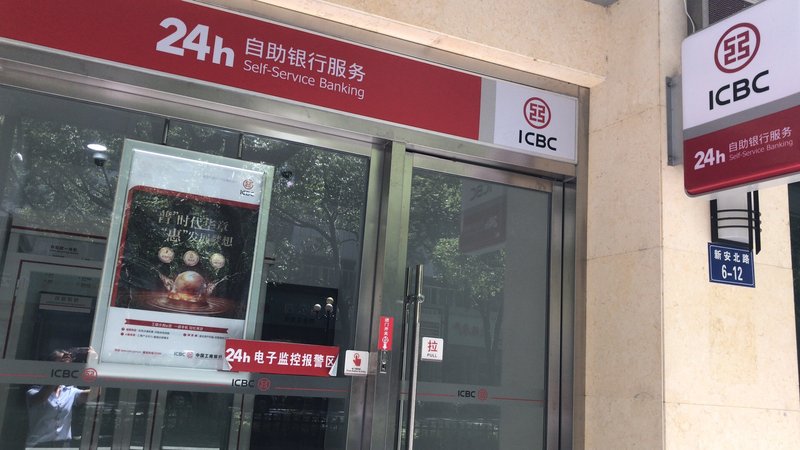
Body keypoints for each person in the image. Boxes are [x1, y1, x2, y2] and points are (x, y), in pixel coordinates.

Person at [25, 348, 94, 448]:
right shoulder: (33, 391)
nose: (65, 368)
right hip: (38, 446)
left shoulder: (70, 391)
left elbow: (95, 394)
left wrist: (96, 364)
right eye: (60, 364)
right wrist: (61, 369)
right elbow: (41, 398)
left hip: (63, 446)